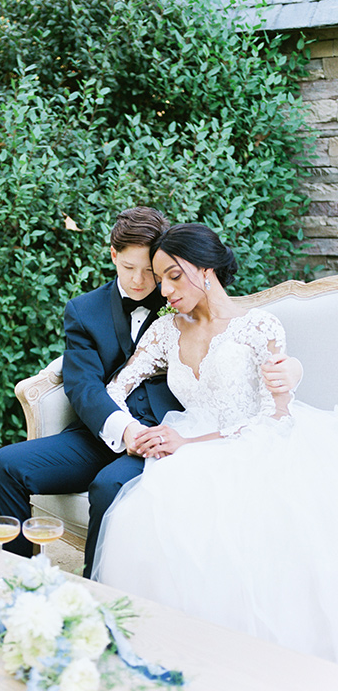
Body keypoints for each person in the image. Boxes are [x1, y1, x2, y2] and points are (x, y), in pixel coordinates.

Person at [0, 209, 301, 578]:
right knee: (1, 467)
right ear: (113, 256)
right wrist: (126, 430)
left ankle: (94, 592)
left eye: (153, 271)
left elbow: (246, 356)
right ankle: (16, 582)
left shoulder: (184, 302)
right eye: (130, 268)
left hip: (170, 433)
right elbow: (84, 386)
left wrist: (293, 368)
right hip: (106, 428)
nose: (144, 282)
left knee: (109, 485)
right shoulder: (84, 311)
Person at [91, 222, 338, 662]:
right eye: (160, 277)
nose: (163, 290)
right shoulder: (167, 331)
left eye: (173, 275)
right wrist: (136, 432)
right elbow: (115, 389)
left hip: (257, 446)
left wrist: (190, 443)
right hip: (185, 447)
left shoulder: (259, 325)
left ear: (205, 269)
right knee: (145, 517)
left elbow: (274, 416)